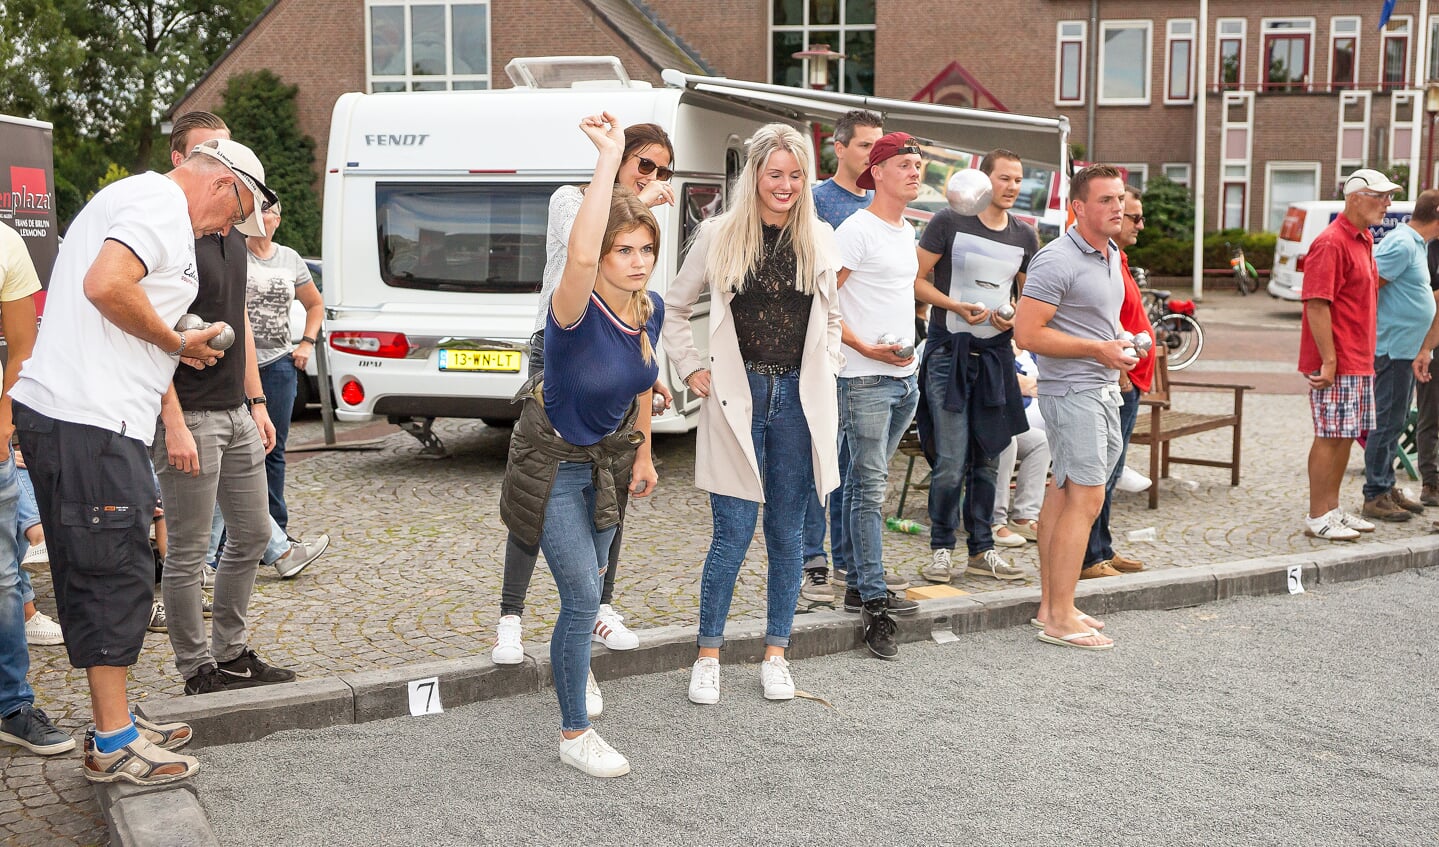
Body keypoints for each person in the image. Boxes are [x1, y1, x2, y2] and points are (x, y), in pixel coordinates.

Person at [10, 135, 261, 784]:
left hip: (96, 415)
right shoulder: (159, 202)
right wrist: (176, 338)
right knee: (111, 568)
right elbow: (105, 283)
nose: (228, 228)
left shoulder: (156, 206)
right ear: (219, 184)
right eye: (234, 214)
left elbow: (119, 298)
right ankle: (113, 740)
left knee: (117, 560)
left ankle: (113, 722)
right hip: (84, 414)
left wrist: (176, 348)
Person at [498, 112, 660, 778]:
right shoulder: (572, 308)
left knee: (587, 593)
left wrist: (644, 453)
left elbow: (641, 383)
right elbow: (585, 252)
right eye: (624, 251)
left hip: (607, 467)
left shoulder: (640, 308)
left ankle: (575, 671)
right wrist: (609, 157)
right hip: (555, 467)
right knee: (581, 598)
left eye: (645, 250)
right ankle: (574, 731)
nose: (636, 261)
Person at [664, 122, 843, 705]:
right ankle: (708, 654)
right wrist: (691, 368)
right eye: (775, 174)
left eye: (795, 175)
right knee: (732, 534)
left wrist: (830, 368)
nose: (785, 184)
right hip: (737, 398)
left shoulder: (819, 236)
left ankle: (776, 653)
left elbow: (833, 318)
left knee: (787, 535)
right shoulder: (718, 234)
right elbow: (671, 307)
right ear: (755, 175)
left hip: (798, 400)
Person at [151, 114, 296, 697]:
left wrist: (256, 401)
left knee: (254, 533)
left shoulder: (233, 237)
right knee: (186, 550)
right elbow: (151, 331)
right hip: (187, 415)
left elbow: (238, 322)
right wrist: (174, 424)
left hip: (235, 411)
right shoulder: (166, 234)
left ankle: (231, 652)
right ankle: (196, 669)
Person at [1014, 164, 1139, 651]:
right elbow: (1027, 334)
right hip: (1072, 394)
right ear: (1078, 207)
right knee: (1085, 500)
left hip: (1099, 389)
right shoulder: (1055, 260)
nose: (1118, 207)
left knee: (1065, 496)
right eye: (1106, 200)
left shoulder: (1109, 253)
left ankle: (1053, 606)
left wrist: (1116, 345)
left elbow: (1089, 324)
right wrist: (1097, 350)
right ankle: (1060, 618)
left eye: (1121, 198)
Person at [913, 148, 1036, 584]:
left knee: (988, 457)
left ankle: (981, 548)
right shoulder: (948, 221)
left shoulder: (1025, 235)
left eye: (1018, 179)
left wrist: (1011, 317)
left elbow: (1028, 301)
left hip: (996, 359)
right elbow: (916, 279)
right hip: (949, 354)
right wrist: (956, 306)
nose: (1012, 186)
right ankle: (942, 548)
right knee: (950, 459)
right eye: (1004, 178)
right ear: (983, 180)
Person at [832, 132, 927, 660]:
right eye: (907, 164)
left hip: (902, 376)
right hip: (863, 378)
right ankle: (873, 599)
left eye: (920, 164)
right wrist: (866, 345)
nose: (916, 172)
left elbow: (894, 294)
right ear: (880, 170)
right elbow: (824, 303)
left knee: (861, 483)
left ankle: (855, 578)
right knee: (869, 488)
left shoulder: (905, 228)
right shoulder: (856, 230)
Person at [800, 109, 883, 604]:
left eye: (879, 146)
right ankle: (814, 559)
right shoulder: (816, 202)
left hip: (873, 362)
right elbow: (814, 286)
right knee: (819, 458)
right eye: (865, 145)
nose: (873, 155)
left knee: (857, 468)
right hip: (828, 353)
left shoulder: (881, 203)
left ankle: (852, 562)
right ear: (840, 147)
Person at [0, 220, 74, 757]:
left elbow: (23, 344)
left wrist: (4, 419)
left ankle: (11, 705)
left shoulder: (5, 241)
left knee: (4, 581)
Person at [1298, 168, 1402, 541]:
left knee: (1343, 435)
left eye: (1389, 196)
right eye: (1381, 196)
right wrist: (1328, 359)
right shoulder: (1331, 242)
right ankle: (1316, 515)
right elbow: (1316, 303)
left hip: (1357, 357)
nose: (1387, 203)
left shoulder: (1363, 240)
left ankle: (1332, 509)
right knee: (1329, 435)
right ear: (1354, 196)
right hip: (1338, 360)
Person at [1079, 186, 1157, 578]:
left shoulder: (1117, 258)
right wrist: (1123, 370)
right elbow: (1107, 322)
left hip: (1132, 375)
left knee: (1112, 470)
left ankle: (1102, 548)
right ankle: (1090, 556)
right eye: (1135, 217)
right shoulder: (1101, 260)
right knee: (1102, 473)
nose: (1140, 224)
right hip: (1120, 376)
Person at [244, 200, 324, 531]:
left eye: (268, 210)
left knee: (273, 449)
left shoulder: (290, 258)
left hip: (278, 365)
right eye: (256, 209)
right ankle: (229, 537)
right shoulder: (235, 254)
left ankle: (275, 531)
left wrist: (307, 342)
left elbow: (315, 304)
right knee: (238, 453)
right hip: (238, 367)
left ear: (278, 218)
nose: (262, 216)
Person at [1364, 190, 1439, 520]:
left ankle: (1385, 485)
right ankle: (1375, 493)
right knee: (1386, 422)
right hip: (1391, 348)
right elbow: (1367, 288)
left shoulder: (1417, 245)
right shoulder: (1403, 243)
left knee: (1394, 423)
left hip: (1404, 350)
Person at [990, 345, 1049, 548]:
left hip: (1009, 418)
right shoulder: (983, 338)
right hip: (980, 417)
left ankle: (1024, 517)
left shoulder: (1022, 345)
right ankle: (994, 521)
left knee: (1041, 442)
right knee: (1005, 440)